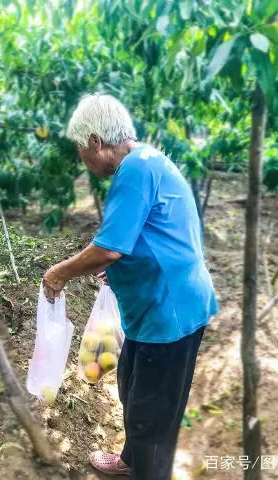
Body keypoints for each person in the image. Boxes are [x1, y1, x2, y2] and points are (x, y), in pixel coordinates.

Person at [42, 94, 218, 479]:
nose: (81, 160)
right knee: (134, 388)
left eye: (79, 150)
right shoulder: (143, 162)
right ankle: (131, 462)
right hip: (155, 306)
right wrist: (122, 269)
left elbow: (109, 248)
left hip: (169, 311)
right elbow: (145, 235)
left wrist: (59, 273)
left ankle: (145, 468)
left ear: (93, 142)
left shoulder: (135, 170)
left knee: (152, 415)